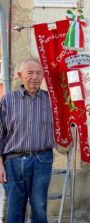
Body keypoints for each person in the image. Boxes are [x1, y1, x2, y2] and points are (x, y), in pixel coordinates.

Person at [0, 58, 55, 223]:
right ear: (20, 75)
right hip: (13, 162)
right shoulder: (8, 100)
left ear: (44, 76)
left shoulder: (51, 101)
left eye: (39, 73)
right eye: (30, 73)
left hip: (42, 159)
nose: (35, 77)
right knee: (14, 210)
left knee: (39, 207)